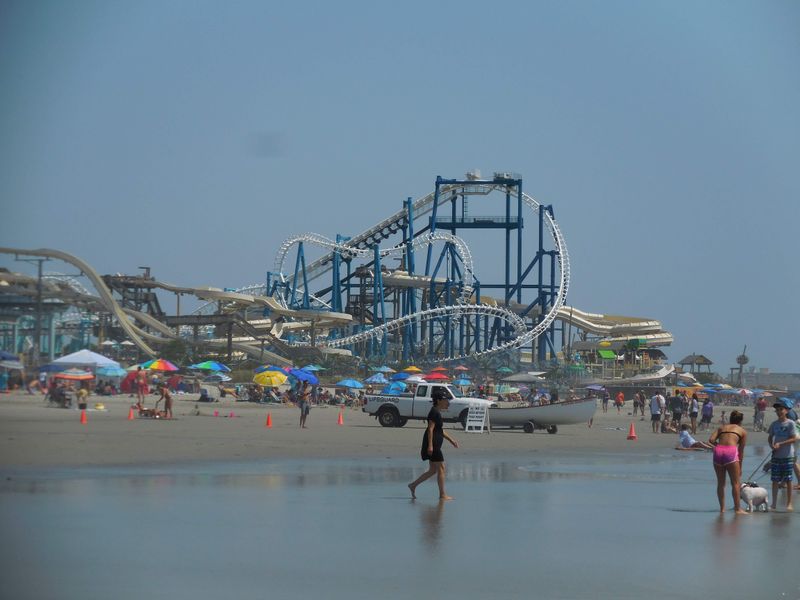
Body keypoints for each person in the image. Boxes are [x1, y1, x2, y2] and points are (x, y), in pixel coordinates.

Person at [408, 390, 459, 500]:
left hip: (434, 443)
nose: (448, 403)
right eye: (446, 400)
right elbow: (430, 429)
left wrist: (451, 440)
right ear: (439, 400)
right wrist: (430, 446)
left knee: (433, 470)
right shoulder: (434, 412)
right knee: (441, 467)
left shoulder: (437, 412)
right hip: (433, 444)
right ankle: (442, 495)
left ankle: (413, 485)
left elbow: (439, 430)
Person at [708, 410, 747, 514]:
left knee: (721, 483)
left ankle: (722, 509)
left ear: (730, 419)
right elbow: (741, 451)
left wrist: (719, 446)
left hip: (718, 451)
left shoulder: (722, 428)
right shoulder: (742, 431)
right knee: (735, 483)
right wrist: (740, 467)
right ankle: (738, 509)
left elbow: (711, 440)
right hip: (731, 452)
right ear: (740, 421)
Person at [767, 400, 797, 511]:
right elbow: (770, 437)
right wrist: (772, 446)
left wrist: (781, 443)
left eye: (781, 410)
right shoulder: (774, 424)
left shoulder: (790, 423)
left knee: (788, 480)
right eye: (777, 410)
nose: (779, 412)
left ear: (787, 410)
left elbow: (794, 438)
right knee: (775, 480)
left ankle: (789, 503)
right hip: (776, 456)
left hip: (788, 455)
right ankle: (774, 504)